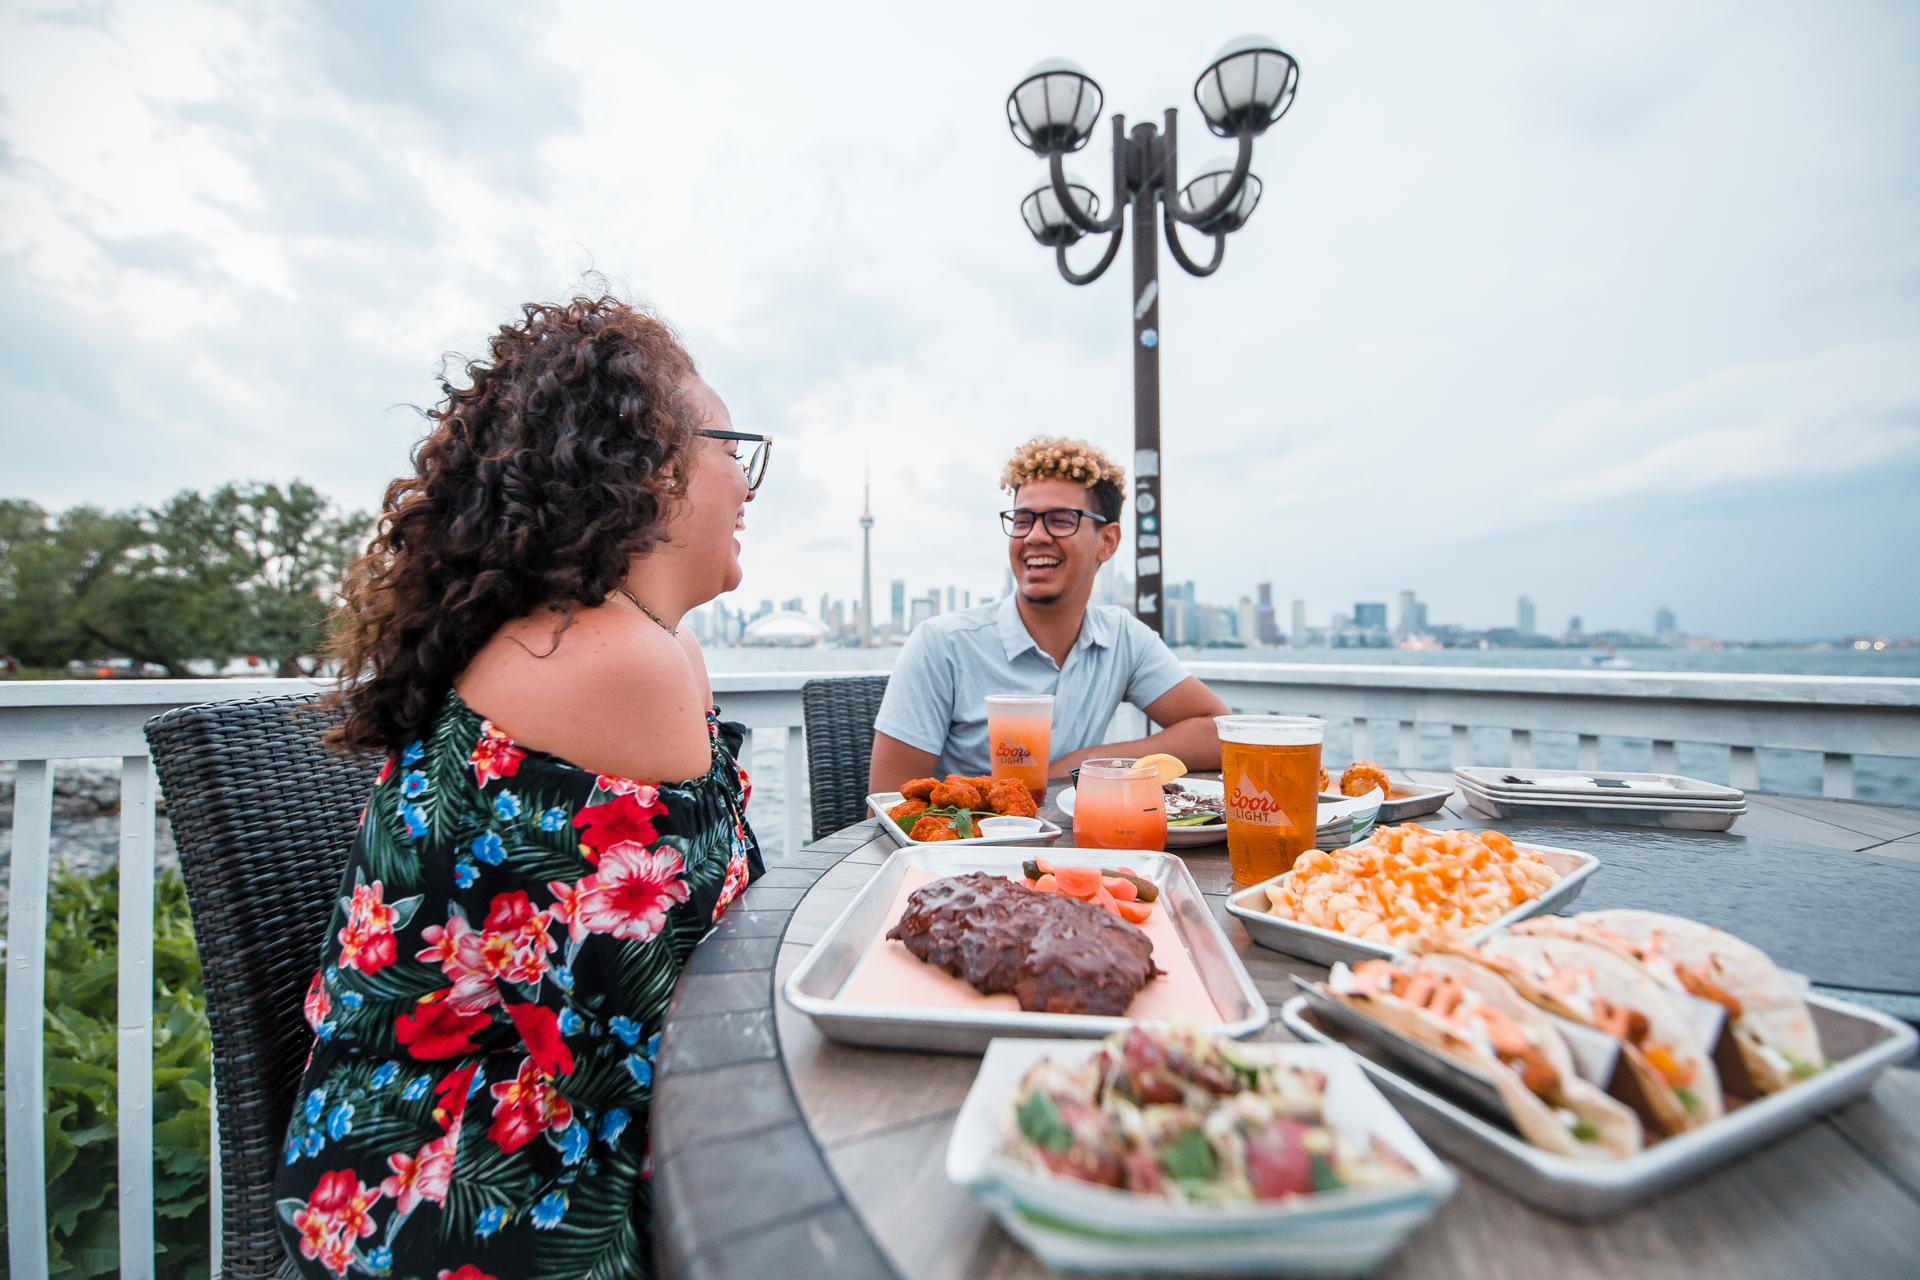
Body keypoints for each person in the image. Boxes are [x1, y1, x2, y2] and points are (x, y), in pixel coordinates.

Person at [277, 295, 768, 1280]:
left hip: (409, 1150)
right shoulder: (617, 658)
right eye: (733, 448)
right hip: (460, 1189)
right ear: (651, 466)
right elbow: (651, 1033)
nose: (749, 485)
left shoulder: (630, 642)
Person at [869, 435, 1228, 790]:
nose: (1034, 536)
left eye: (1060, 520)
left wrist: (1087, 764)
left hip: (1082, 844)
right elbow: (886, 807)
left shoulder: (1121, 638)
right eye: (1023, 520)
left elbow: (1221, 733)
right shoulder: (942, 644)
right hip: (968, 843)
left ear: (1107, 542)